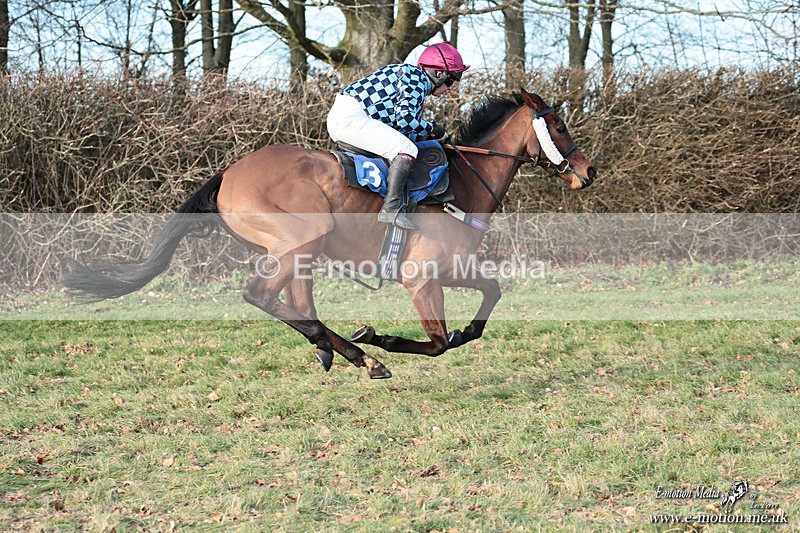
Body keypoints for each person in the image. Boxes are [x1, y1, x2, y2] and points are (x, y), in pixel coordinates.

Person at [327, 43, 469, 230]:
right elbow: (405, 120)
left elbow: (402, 127)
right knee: (406, 149)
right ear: (439, 74)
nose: (450, 88)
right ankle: (392, 209)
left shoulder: (411, 77)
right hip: (350, 118)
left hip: (347, 116)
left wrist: (429, 137)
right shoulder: (416, 78)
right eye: (451, 81)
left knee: (405, 145)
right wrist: (435, 130)